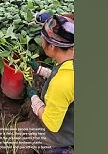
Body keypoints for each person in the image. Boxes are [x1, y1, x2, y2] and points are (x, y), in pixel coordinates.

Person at [17, 14, 74, 153]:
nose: (41, 41)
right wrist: (40, 70)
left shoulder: (61, 84)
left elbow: (51, 123)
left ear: (53, 46)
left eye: (43, 39)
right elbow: (61, 75)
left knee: (23, 134)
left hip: (62, 134)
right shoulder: (70, 60)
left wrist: (35, 100)